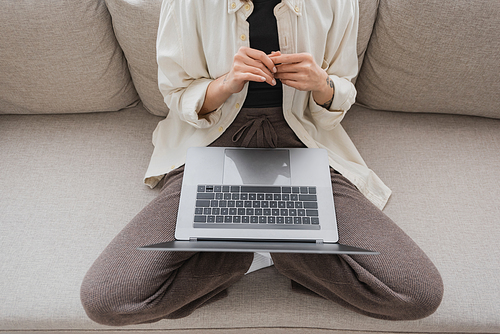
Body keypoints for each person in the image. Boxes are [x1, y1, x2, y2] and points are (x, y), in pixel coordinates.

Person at [80, 0, 443, 325]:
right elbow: (176, 94)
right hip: (212, 141)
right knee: (107, 298)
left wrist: (322, 85)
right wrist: (225, 84)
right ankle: (247, 255)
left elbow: (339, 93)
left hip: (302, 141)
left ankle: (275, 252)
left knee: (417, 293)